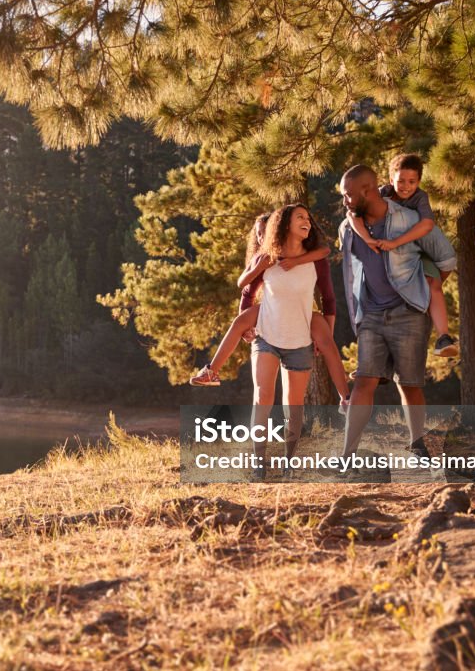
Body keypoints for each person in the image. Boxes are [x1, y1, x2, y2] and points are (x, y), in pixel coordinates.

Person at [338, 165, 457, 458]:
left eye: (348, 195)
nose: (345, 201)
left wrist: (426, 290)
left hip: (409, 315)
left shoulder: (410, 220)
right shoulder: (347, 229)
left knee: (410, 384)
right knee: (364, 381)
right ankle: (347, 454)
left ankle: (418, 444)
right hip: (371, 316)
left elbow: (447, 258)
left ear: (366, 191)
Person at [189, 215, 351, 412]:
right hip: (271, 311)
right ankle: (211, 371)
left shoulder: (310, 257)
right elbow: (246, 291)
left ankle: (346, 398)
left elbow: (324, 254)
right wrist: (247, 326)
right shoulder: (264, 259)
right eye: (258, 235)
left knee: (327, 343)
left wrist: (297, 260)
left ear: (277, 231)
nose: (261, 238)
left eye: (265, 233)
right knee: (240, 321)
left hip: (303, 312)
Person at [346, 154, 458, 357]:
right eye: (400, 181)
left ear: (419, 182)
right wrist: (367, 239)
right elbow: (353, 214)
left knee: (433, 286)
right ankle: (370, 359)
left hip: (418, 251)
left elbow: (427, 225)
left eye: (412, 182)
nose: (406, 186)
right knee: (371, 294)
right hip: (393, 255)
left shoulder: (419, 198)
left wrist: (395, 242)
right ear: (390, 180)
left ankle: (443, 337)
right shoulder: (383, 194)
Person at [244, 204, 324, 479]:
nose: (306, 222)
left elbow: (329, 298)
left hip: (300, 338)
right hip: (267, 336)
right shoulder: (266, 259)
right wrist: (245, 322)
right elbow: (246, 289)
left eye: (307, 218)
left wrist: (323, 334)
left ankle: (290, 461)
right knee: (263, 397)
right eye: (299, 217)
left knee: (293, 403)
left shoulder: (314, 258)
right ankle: (259, 463)